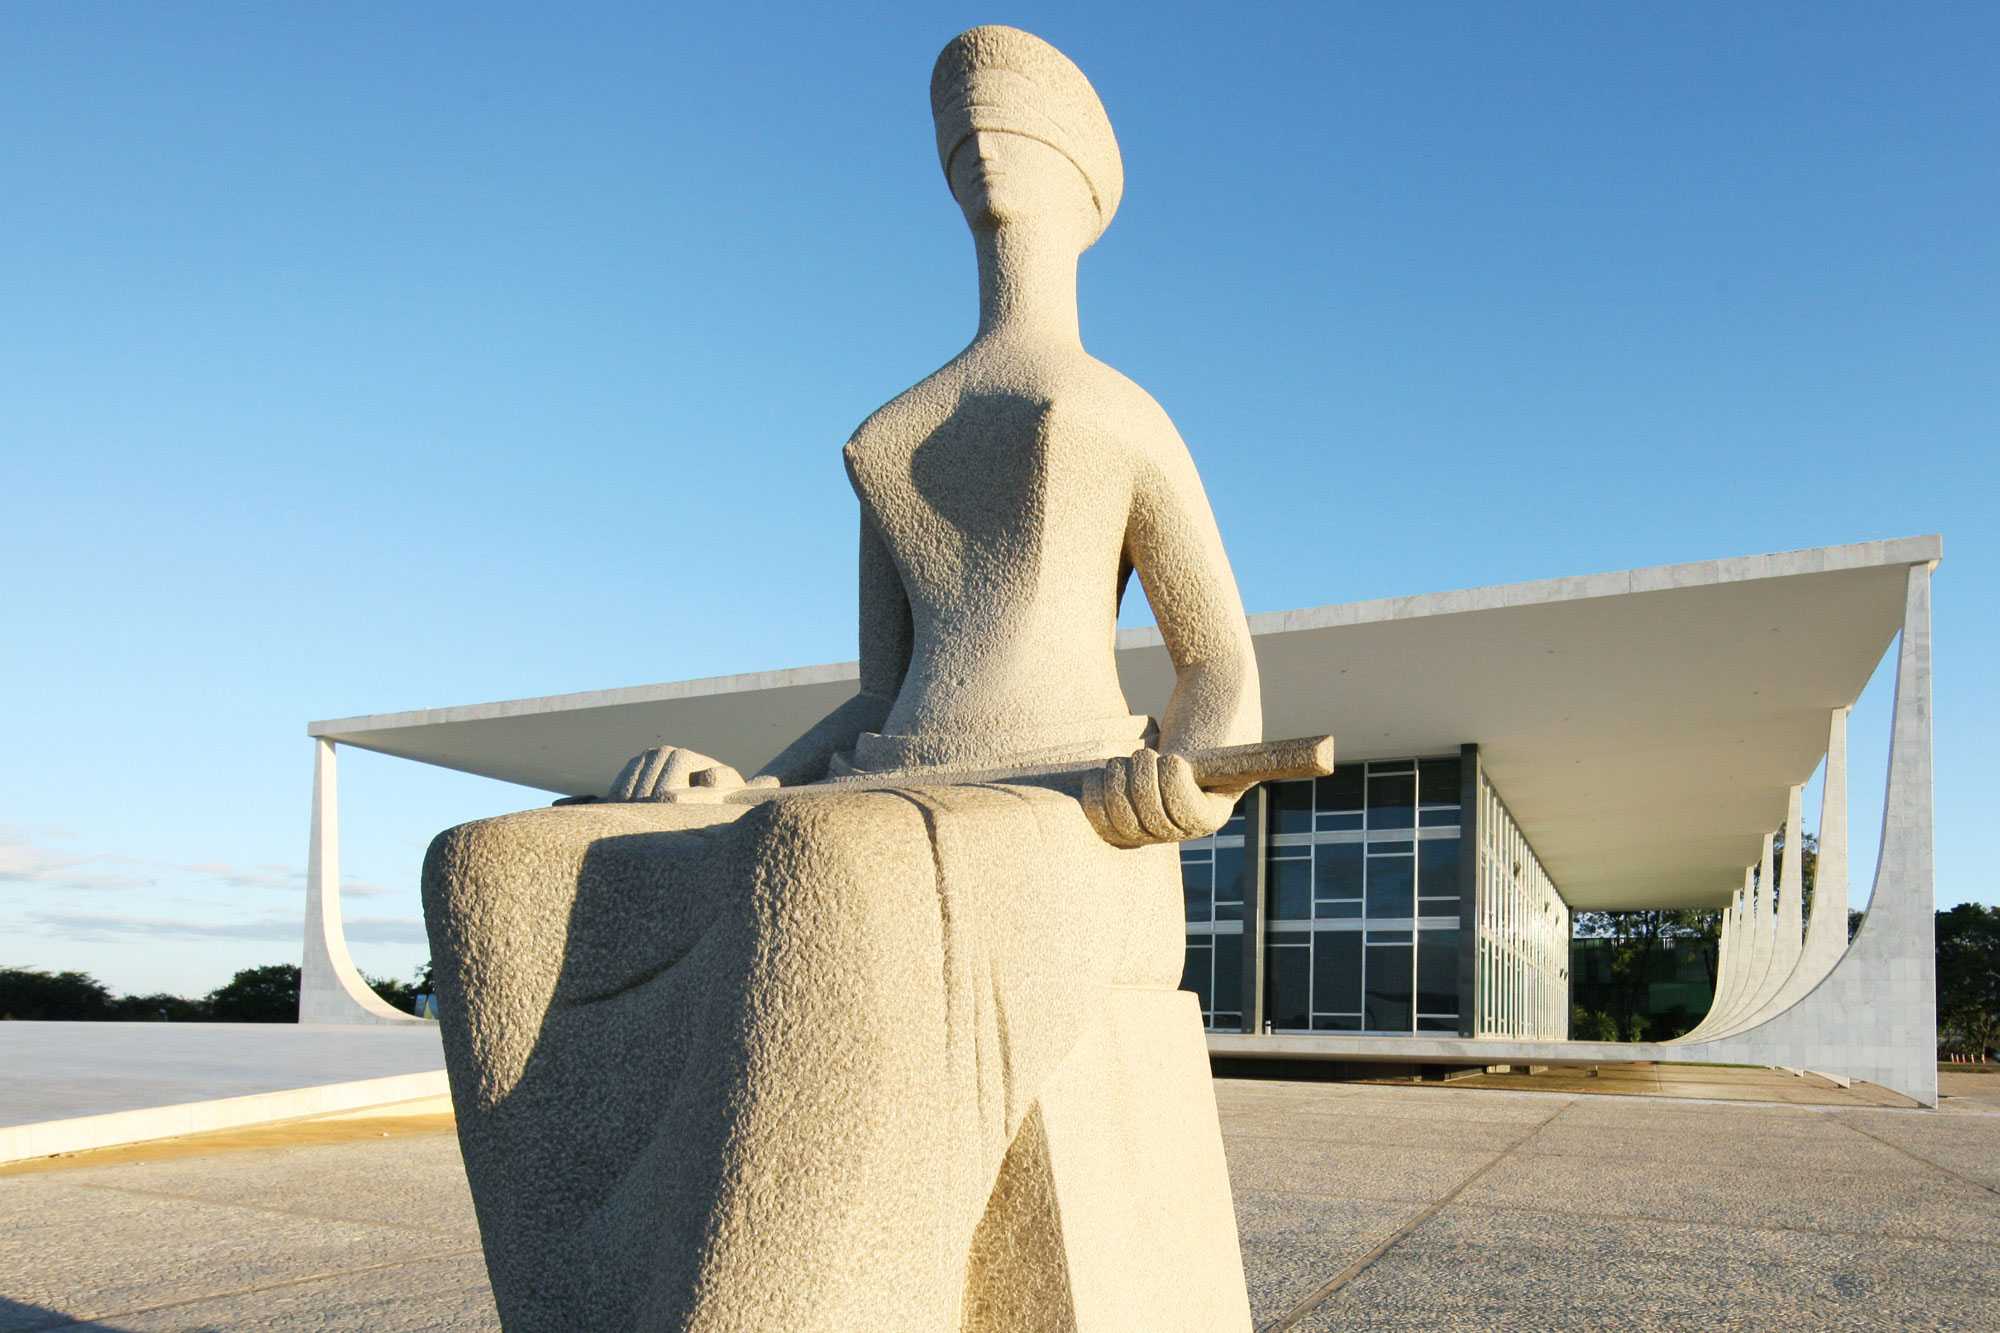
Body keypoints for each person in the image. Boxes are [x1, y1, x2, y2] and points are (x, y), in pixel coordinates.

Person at [425, 26, 1260, 1330]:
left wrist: (1186, 778)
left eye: (1015, 127)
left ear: (1086, 180)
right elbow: (880, 697)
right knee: (493, 870)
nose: (984, 147)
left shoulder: (1119, 412)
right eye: (963, 131)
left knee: (823, 867)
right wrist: (747, 782)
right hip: (880, 789)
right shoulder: (894, 431)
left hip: (1072, 818)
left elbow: (1222, 672)